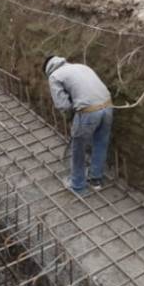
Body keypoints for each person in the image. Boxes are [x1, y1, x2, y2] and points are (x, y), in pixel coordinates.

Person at [44, 55, 113, 194]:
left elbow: (62, 104)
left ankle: (77, 185)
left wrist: (72, 116)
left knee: (78, 148)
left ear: (48, 70)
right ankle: (96, 180)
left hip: (88, 111)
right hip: (108, 106)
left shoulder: (54, 76)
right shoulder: (81, 66)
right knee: (100, 143)